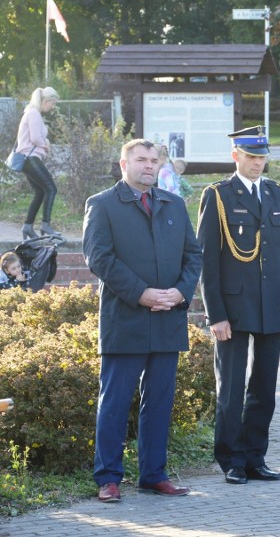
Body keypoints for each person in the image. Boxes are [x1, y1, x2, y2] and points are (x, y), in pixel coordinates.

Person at [83, 139, 202, 503]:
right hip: (126, 320)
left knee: (160, 402)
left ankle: (153, 474)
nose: (149, 165)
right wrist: (141, 293)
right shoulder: (102, 205)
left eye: (154, 160)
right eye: (141, 159)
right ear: (124, 163)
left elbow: (193, 256)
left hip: (168, 319)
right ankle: (108, 477)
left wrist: (180, 293)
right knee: (115, 402)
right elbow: (98, 258)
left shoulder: (174, 205)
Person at [197, 125, 280, 486]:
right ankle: (231, 459)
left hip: (271, 306)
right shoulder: (218, 196)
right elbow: (207, 261)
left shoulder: (278, 196)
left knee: (265, 388)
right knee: (230, 388)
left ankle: (256, 456)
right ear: (235, 156)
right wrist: (216, 314)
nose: (258, 163)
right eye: (252, 157)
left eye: (262, 157)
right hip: (233, 310)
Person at [16, 87, 61, 240]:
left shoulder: (32, 113)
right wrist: (46, 144)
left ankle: (28, 226)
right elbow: (35, 138)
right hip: (30, 158)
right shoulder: (34, 113)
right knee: (51, 189)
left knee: (40, 192)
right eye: (52, 103)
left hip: (28, 158)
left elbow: (36, 137)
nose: (52, 107)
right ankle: (45, 224)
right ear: (45, 101)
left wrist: (44, 141)